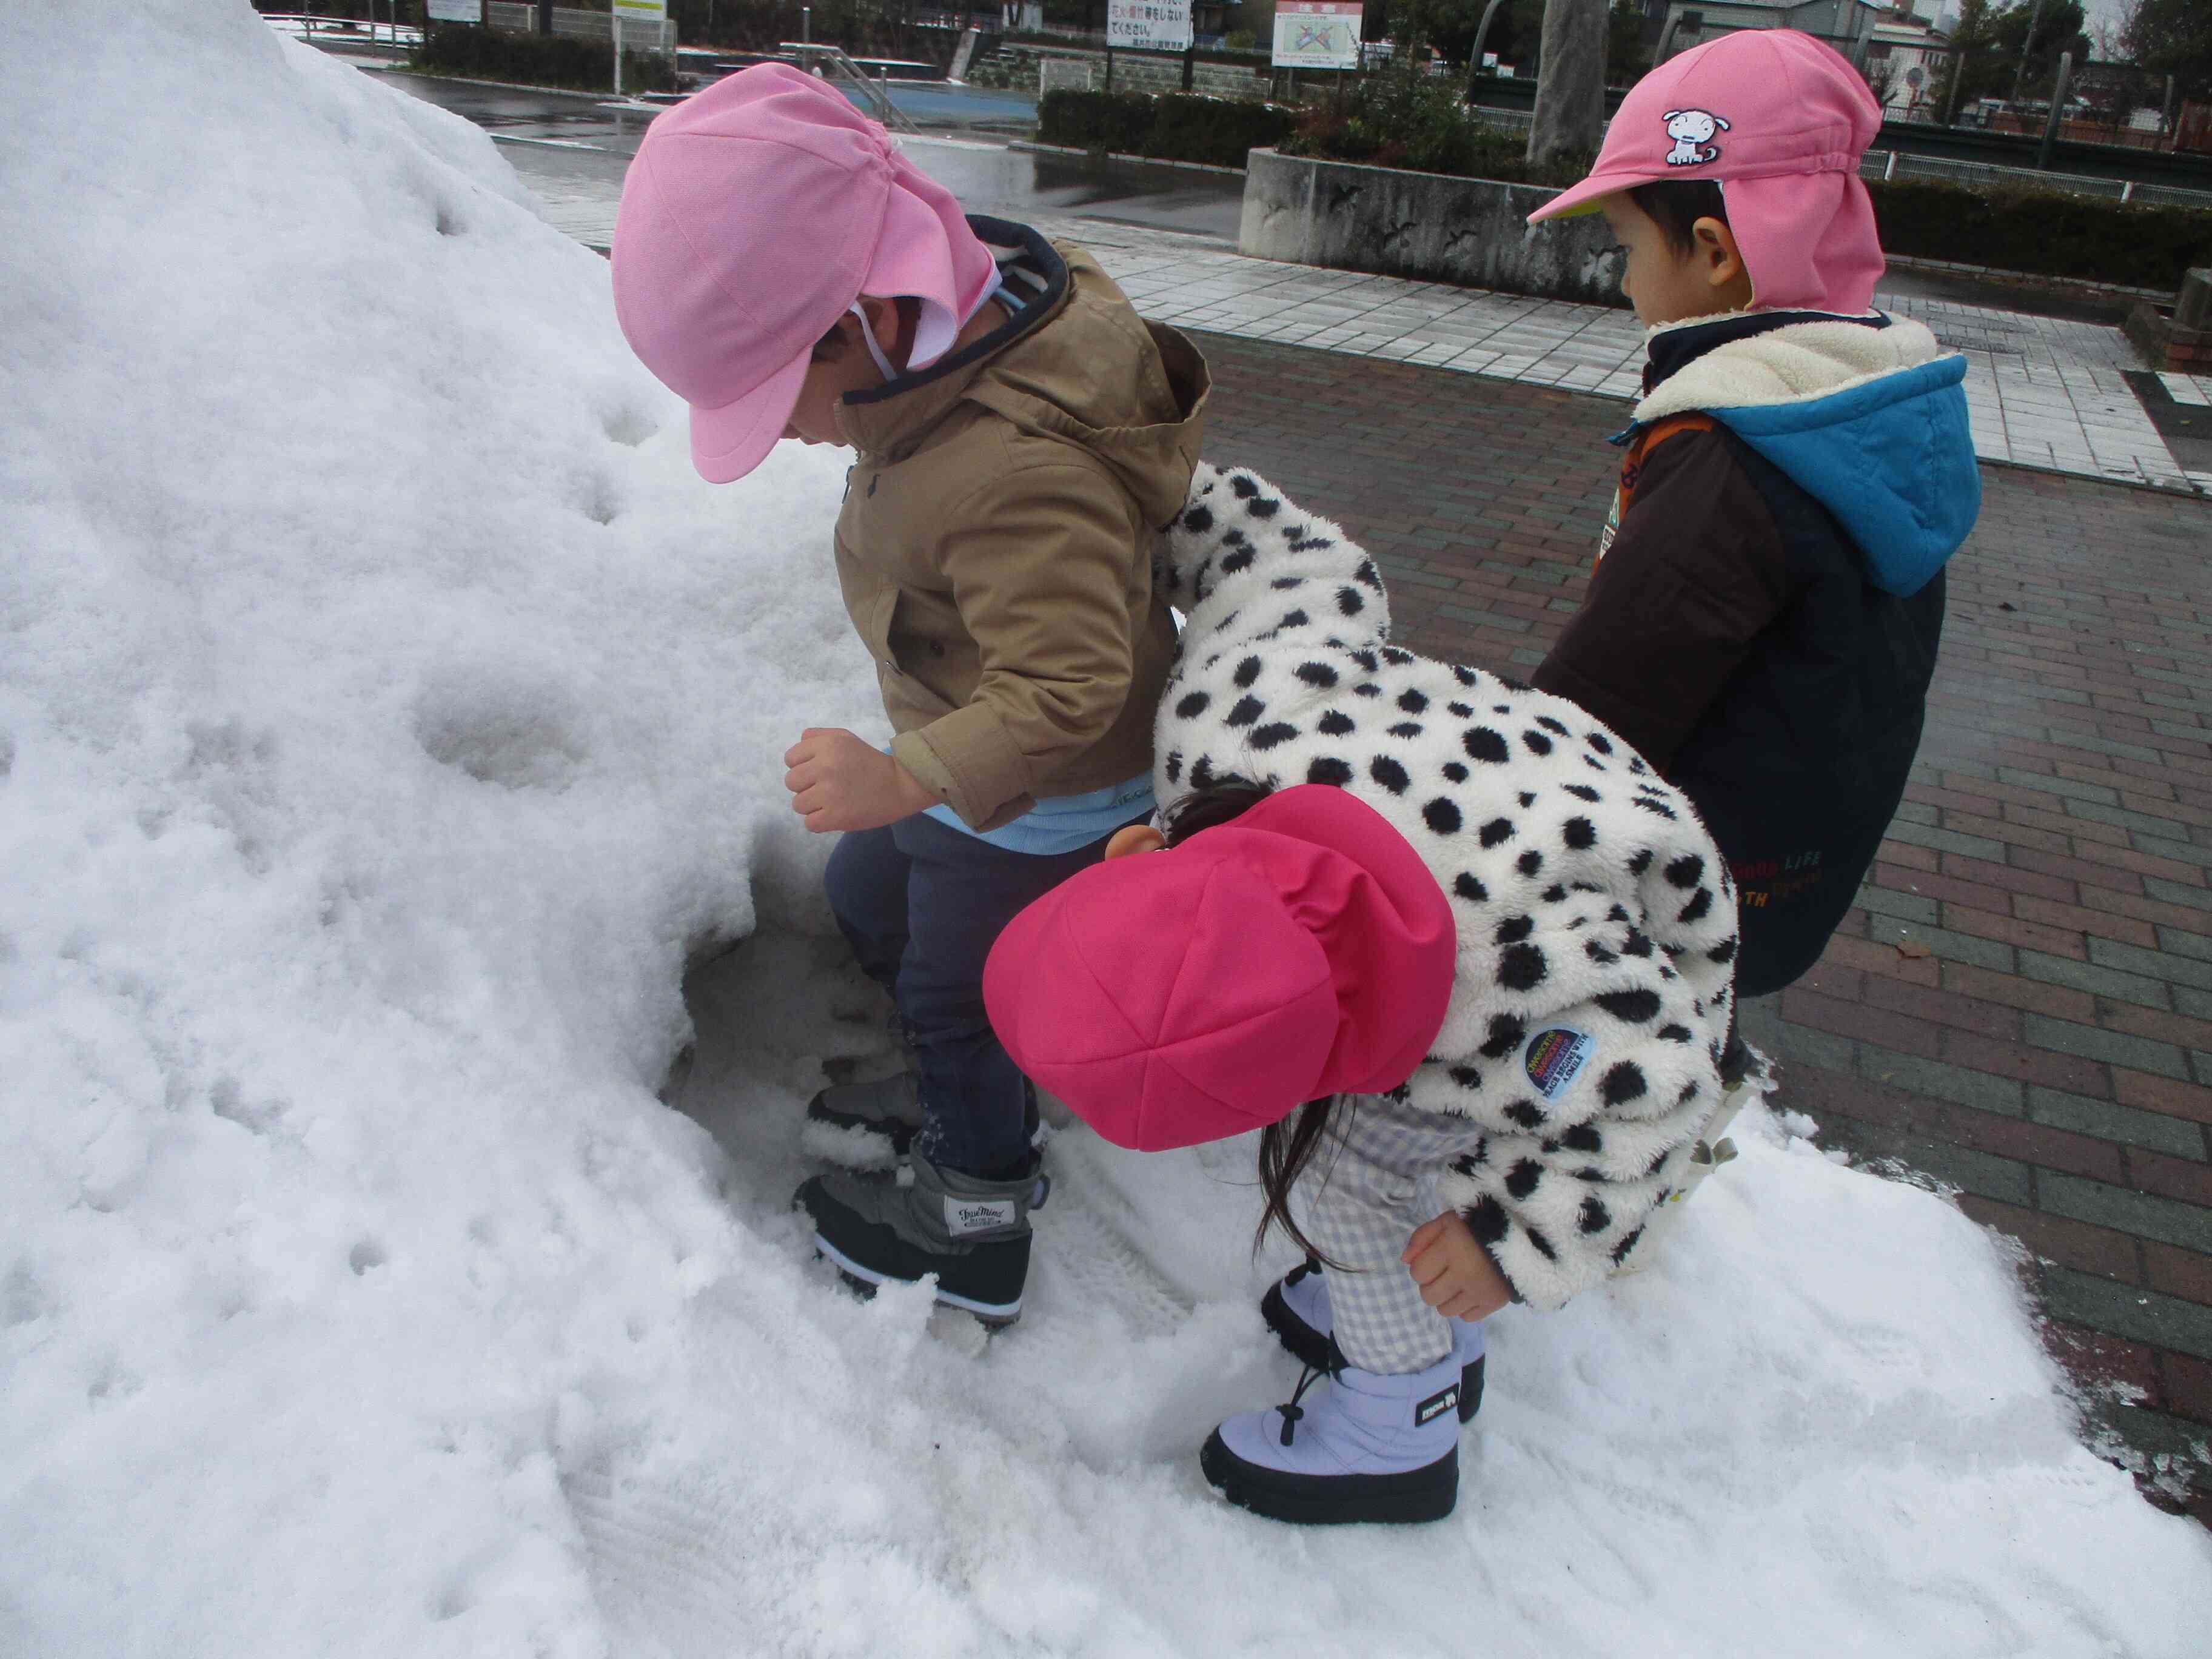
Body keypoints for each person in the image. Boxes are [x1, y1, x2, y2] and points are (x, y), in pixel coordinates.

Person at [981, 463, 1742, 1524]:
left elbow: (1658, 1088)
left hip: (1643, 941)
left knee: (1345, 1186)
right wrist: (1142, 485)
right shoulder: (1223, 727)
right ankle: (1408, 1306)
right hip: (1478, 839)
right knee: (1360, 1174)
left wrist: (1512, 1240)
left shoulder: (1509, 990)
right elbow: (1289, 563)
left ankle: (1400, 1424)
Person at [610, 65, 1208, 1327]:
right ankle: (950, 1087)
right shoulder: (946, 352)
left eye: (781, 399)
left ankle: (977, 1206)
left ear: (865, 317)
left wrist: (910, 777)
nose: (781, 435)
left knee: (959, 994)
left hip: (1044, 796)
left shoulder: (1012, 464)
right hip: (962, 755)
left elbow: (1071, 680)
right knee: (870, 895)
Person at [1523, 29, 1979, 1017]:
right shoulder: (1874, 399)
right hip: (1785, 869)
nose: (1624, 278)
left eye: (1627, 246)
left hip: (1663, 895)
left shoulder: (1731, 449)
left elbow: (1590, 718)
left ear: (1715, 252)